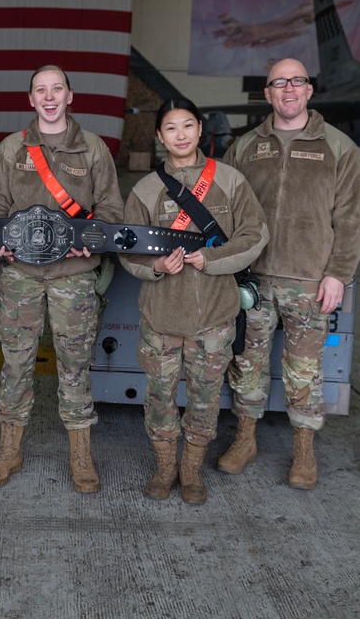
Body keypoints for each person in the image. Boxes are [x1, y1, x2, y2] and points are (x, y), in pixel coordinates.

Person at [222, 57, 360, 489]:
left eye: (297, 81)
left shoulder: (339, 148)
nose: (288, 89)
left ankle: (303, 453)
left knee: (304, 369)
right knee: (246, 363)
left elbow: (353, 219)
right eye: (278, 83)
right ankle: (245, 440)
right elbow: (225, 210)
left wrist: (338, 273)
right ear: (266, 94)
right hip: (253, 278)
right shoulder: (246, 147)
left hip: (310, 281)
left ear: (309, 90)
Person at [0, 64, 124, 493]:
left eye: (56, 89)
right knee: (16, 364)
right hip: (21, 278)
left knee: (76, 366)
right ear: (30, 100)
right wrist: (0, 241)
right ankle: (9, 449)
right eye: (40, 90)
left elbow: (112, 213)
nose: (48, 97)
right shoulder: (12, 149)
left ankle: (81, 454)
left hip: (74, 277)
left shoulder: (94, 149)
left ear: (70, 96)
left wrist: (93, 242)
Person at [120, 99, 267, 504]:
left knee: (204, 400)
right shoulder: (146, 189)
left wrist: (213, 258)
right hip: (162, 318)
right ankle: (166, 466)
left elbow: (254, 234)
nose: (180, 135)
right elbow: (128, 250)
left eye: (188, 126)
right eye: (171, 128)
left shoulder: (230, 180)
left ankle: (191, 470)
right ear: (159, 136)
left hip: (215, 318)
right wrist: (157, 267)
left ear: (201, 130)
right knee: (160, 398)